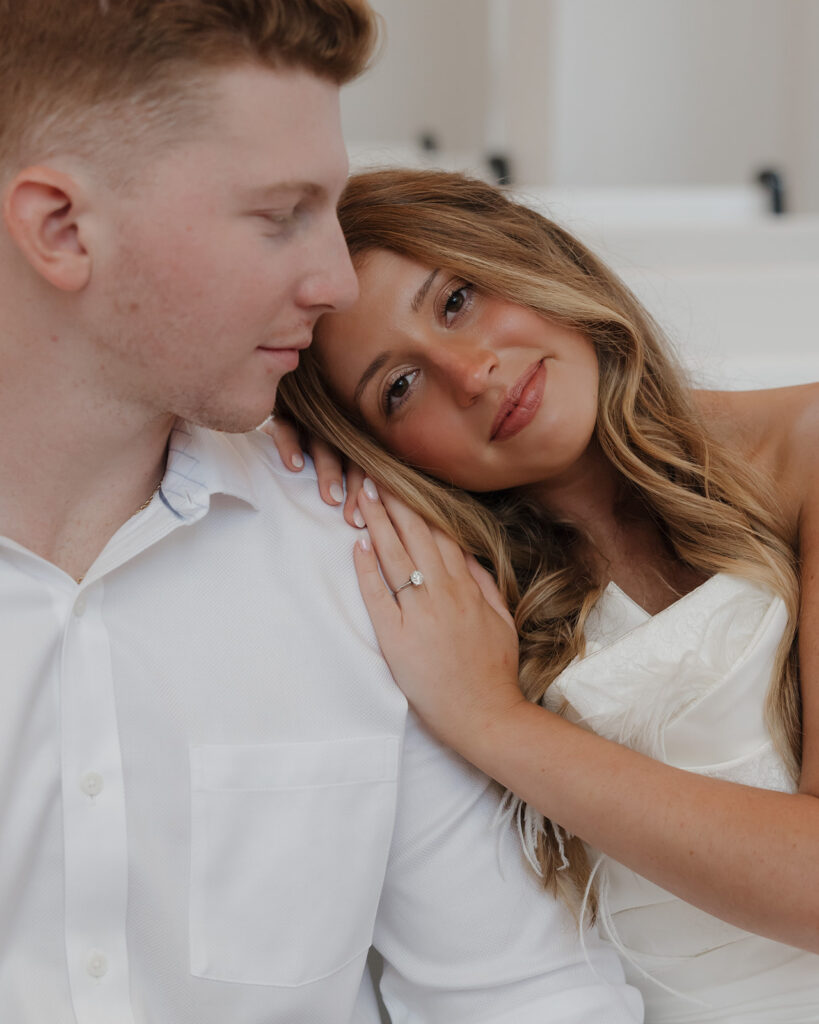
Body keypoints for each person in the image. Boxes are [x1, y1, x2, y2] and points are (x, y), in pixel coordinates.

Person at [0, 4, 645, 1022]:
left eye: (331, 208)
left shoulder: (368, 560)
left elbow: (525, 995)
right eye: (279, 215)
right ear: (61, 229)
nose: (334, 278)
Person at [271, 167, 819, 1022]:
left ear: (527, 255)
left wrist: (495, 722)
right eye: (399, 388)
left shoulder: (807, 449)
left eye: (455, 300)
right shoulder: (450, 610)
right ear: (379, 451)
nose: (470, 373)